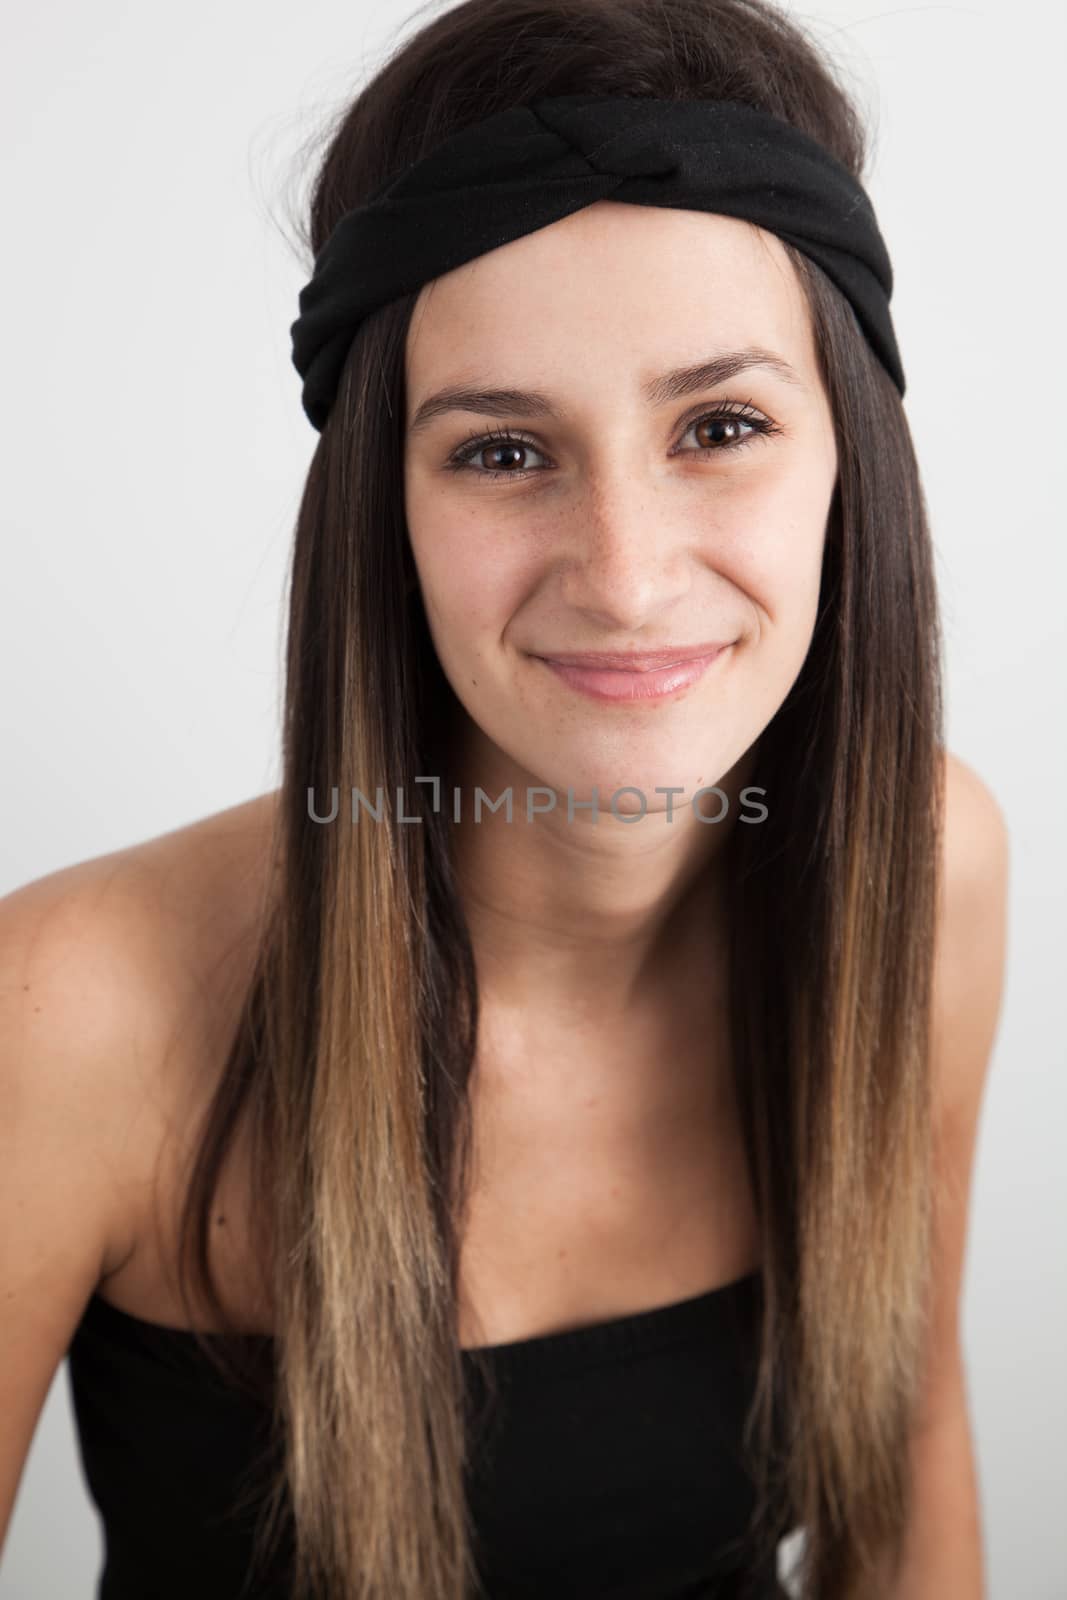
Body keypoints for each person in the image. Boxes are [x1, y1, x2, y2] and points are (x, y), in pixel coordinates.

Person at [0, 0, 1009, 1597]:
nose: (625, 575)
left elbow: (910, 1465)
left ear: (848, 457)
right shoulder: (67, 1011)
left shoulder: (923, 866)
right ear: (380, 507)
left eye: (722, 426)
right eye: (501, 453)